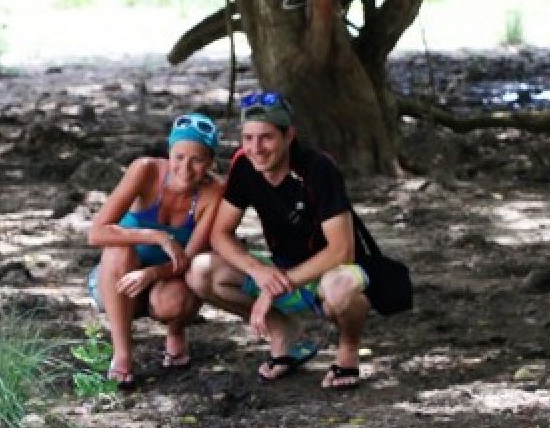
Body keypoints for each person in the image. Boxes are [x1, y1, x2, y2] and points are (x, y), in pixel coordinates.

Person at [187, 91, 411, 389]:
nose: (256, 149)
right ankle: (285, 335)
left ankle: (348, 352)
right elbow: (220, 233)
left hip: (340, 268)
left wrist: (275, 288)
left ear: (289, 135)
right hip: (284, 265)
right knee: (201, 270)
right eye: (248, 138)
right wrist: (258, 271)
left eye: (266, 138)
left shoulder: (318, 168)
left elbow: (341, 249)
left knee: (338, 287)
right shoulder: (244, 165)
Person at [87, 112, 225, 388]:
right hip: (118, 277)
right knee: (119, 249)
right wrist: (154, 236)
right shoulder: (146, 170)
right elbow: (96, 233)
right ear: (169, 153)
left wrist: (151, 274)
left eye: (197, 160)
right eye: (179, 157)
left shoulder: (214, 192)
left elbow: (188, 258)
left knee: (175, 301)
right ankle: (123, 355)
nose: (185, 168)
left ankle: (176, 331)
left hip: (167, 279)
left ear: (210, 162)